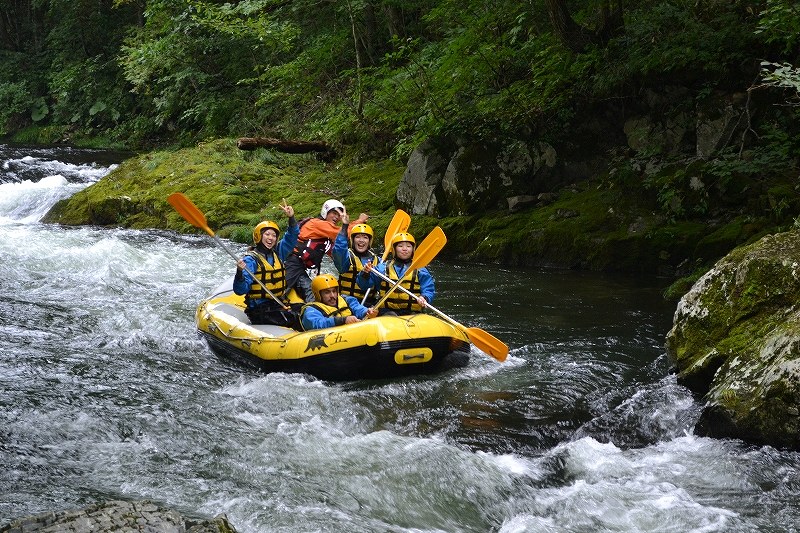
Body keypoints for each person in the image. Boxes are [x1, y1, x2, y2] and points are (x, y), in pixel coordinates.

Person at [284, 198, 368, 303]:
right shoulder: (316, 224)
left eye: (339, 215)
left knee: (317, 291)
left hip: (303, 268)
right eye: (334, 213)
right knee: (308, 292)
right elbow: (342, 232)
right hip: (293, 264)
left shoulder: (325, 236)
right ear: (325, 212)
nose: (337, 217)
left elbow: (336, 253)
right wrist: (360, 221)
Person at [233, 200, 300, 328]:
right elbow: (240, 290)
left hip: (277, 304)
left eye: (274, 235)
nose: (271, 238)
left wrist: (291, 218)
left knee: (304, 310)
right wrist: (240, 272)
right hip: (259, 310)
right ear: (258, 236)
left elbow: (292, 237)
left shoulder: (278, 253)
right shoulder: (251, 260)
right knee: (294, 320)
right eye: (267, 234)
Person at [358, 232, 435, 316]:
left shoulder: (420, 270)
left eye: (408, 246)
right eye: (400, 246)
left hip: (413, 312)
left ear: (413, 249)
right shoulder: (382, 268)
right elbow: (364, 285)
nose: (405, 249)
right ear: (394, 249)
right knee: (390, 314)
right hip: (386, 311)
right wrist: (365, 273)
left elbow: (428, 289)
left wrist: (424, 297)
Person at [299, 274, 377, 330]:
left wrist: (367, 311)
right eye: (327, 292)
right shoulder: (311, 310)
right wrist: (343, 320)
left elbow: (358, 308)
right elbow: (316, 324)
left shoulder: (347, 299)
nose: (332, 295)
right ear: (318, 294)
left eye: (334, 291)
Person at [332, 220, 378, 306]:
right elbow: (339, 250)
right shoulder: (346, 258)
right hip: (346, 302)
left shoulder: (377, 260)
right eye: (358, 237)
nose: (361, 240)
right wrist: (344, 227)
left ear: (369, 241)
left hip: (369, 303)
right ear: (352, 240)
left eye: (365, 237)